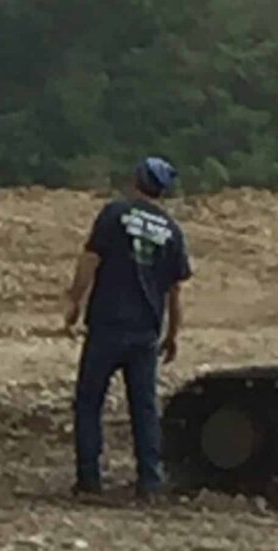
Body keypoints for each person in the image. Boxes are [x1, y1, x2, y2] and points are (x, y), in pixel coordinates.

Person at [63, 157, 193, 501]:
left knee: (89, 402)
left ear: (136, 181)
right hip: (145, 334)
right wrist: (173, 335)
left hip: (107, 325)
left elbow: (89, 261)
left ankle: (89, 480)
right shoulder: (173, 233)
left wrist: (74, 303)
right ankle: (149, 482)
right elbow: (175, 292)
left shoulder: (114, 215)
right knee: (144, 409)